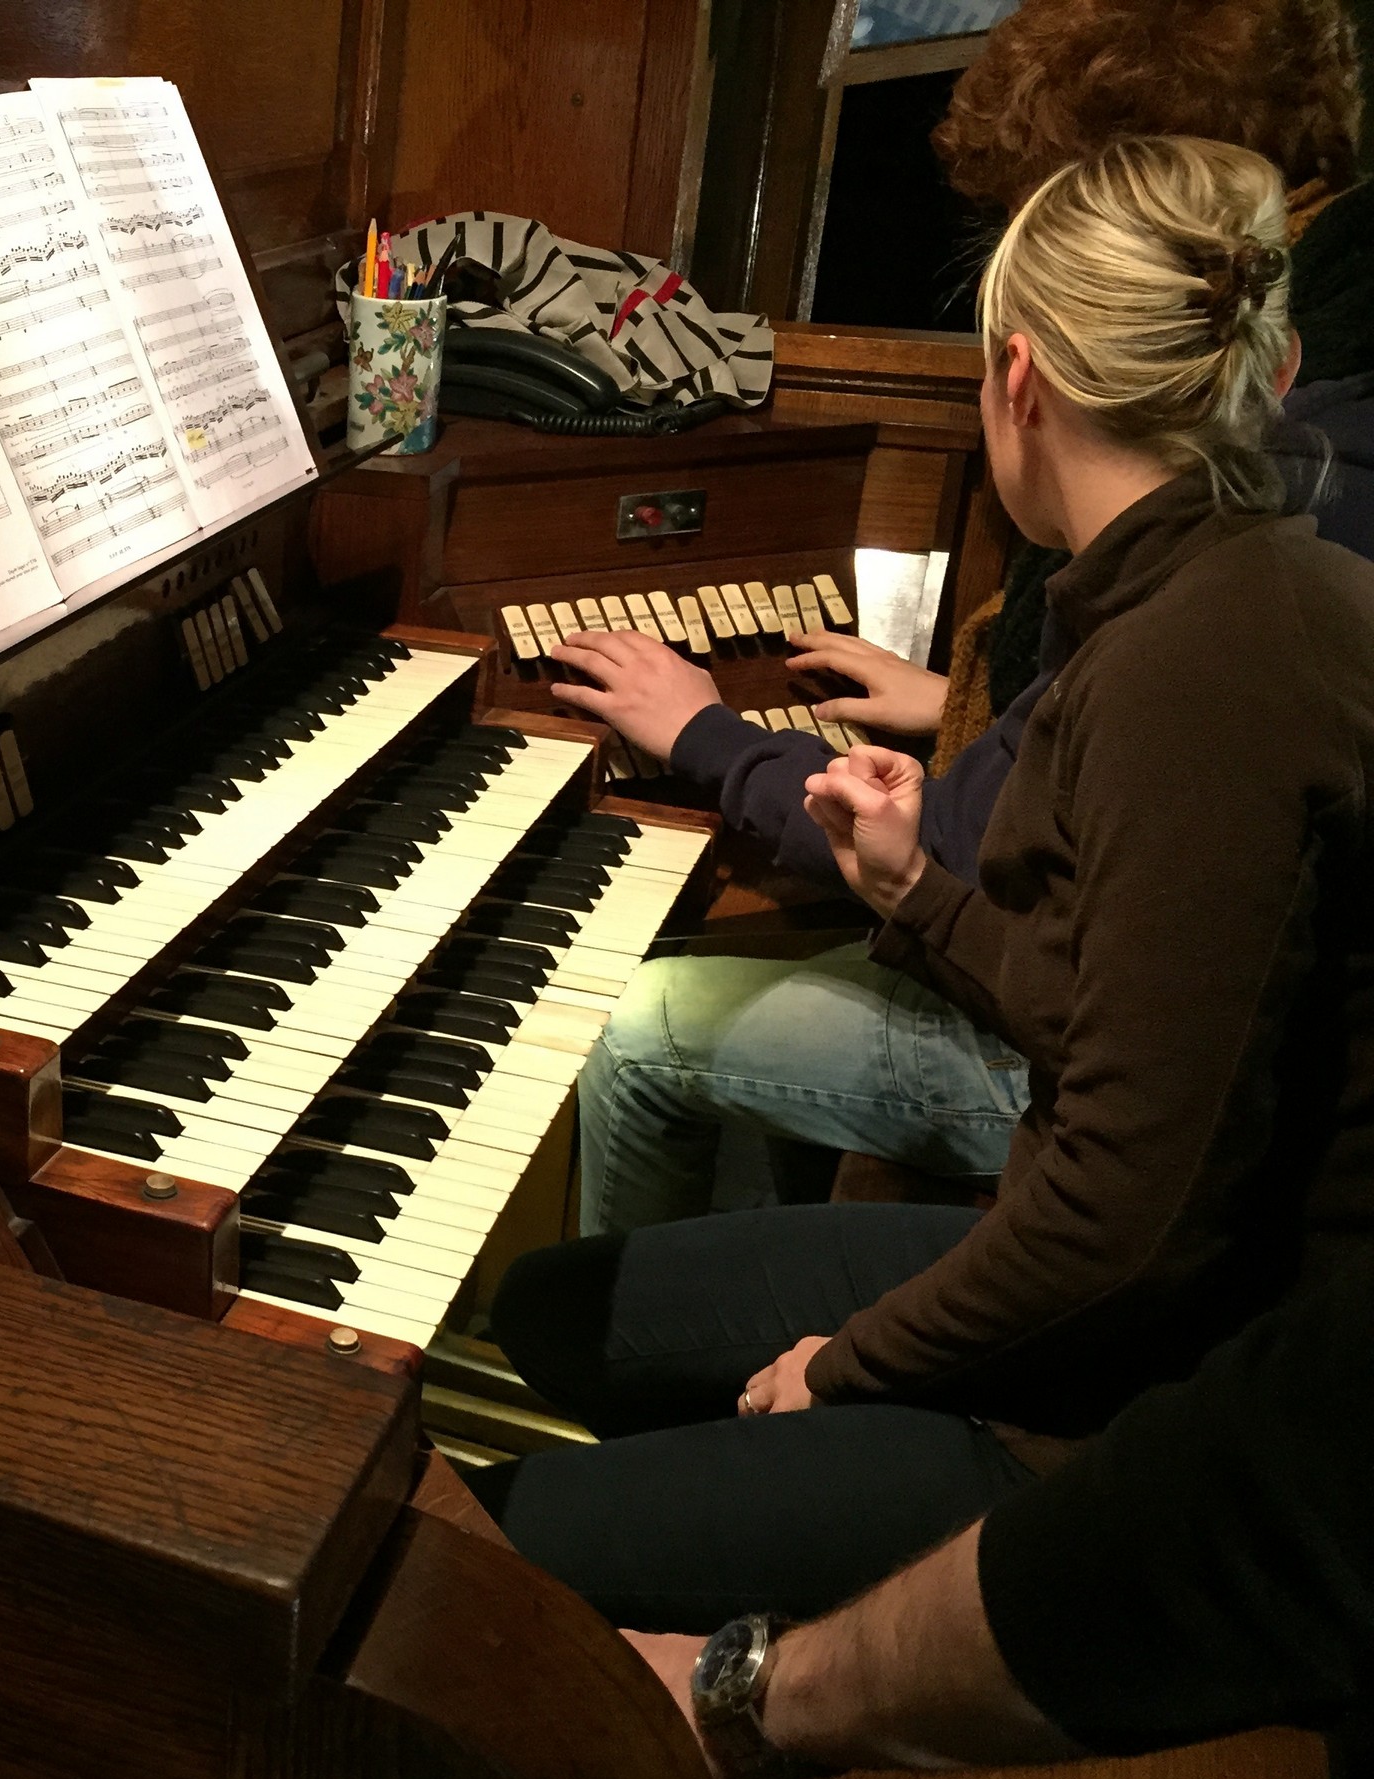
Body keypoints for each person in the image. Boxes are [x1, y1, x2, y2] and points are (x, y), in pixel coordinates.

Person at [474, 135, 1374, 1631]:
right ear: (1269, 376)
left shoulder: (1205, 670)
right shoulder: (1220, 583)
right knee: (560, 1314)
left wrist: (846, 1367)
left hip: (1183, 1400)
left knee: (491, 1549)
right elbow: (1125, 1020)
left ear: (1017, 381)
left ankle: (697, 1652)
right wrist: (914, 896)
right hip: (1157, 1279)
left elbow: (1125, 1224)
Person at [559, 0, 1369, 1235]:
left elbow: (978, 846)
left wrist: (711, 737)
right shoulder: (1271, 460)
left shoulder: (1283, 515)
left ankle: (642, 1328)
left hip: (1126, 1082)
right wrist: (953, 704)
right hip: (1153, 1028)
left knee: (639, 1027)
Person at [619, 1236, 1374, 1779]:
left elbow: (1231, 1511)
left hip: (1067, 1433)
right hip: (1093, 1350)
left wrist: (751, 1698)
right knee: (568, 1309)